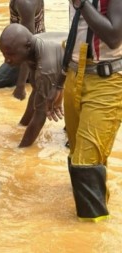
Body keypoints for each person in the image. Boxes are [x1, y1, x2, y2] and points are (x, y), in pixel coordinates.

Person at [57, 0, 122, 222]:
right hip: (75, 75)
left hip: (106, 80)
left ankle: (91, 234)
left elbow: (114, 37)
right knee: (77, 156)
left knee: (85, 164)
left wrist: (82, 3)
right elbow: (75, 33)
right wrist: (59, 82)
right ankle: (91, 214)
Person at [0, 24, 66, 148]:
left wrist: (20, 150)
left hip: (88, 74)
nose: (6, 60)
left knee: (71, 139)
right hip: (66, 69)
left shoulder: (45, 66)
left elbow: (41, 113)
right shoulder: (32, 48)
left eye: (10, 54)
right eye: (4, 54)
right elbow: (36, 91)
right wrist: (21, 126)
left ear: (27, 47)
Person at [0, 0, 45, 93]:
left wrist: (20, 86)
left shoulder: (24, 3)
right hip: (35, 54)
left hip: (26, 57)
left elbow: (28, 47)